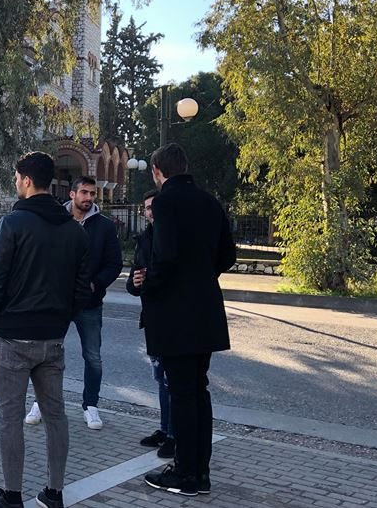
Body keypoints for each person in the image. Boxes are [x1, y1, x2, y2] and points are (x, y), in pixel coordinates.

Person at [0, 152, 92, 508]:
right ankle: (54, 492)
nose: (16, 182)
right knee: (56, 415)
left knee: (10, 418)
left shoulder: (12, 224)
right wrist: (61, 320)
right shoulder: (74, 230)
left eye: (17, 177)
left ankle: (12, 495)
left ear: (27, 180)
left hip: (12, 336)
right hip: (52, 338)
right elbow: (82, 289)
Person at [140, 143, 235, 497]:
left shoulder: (165, 202)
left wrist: (149, 283)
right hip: (205, 310)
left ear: (157, 171)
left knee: (181, 395)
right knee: (198, 392)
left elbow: (164, 256)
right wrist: (201, 275)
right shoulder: (210, 202)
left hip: (174, 315)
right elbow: (228, 255)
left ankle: (185, 474)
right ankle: (200, 472)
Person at [25, 175, 122, 430]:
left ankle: (91, 405)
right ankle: (39, 402)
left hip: (89, 303)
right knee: (45, 353)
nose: (89, 198)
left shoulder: (104, 226)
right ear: (72, 194)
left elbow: (114, 263)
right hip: (56, 301)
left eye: (92, 193)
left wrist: (95, 284)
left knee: (93, 357)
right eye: (84, 193)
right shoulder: (56, 220)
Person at [126, 189, 174, 458]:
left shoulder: (173, 237)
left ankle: (175, 435)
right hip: (152, 318)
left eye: (154, 206)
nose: (150, 211)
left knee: (171, 380)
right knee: (160, 378)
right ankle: (165, 430)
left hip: (172, 318)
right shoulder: (144, 239)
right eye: (146, 208)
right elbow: (133, 281)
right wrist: (134, 282)